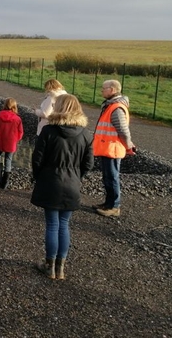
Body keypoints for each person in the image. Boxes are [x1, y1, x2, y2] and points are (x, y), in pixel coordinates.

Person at [31, 94, 94, 280]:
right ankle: (60, 268)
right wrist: (77, 177)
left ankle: (49, 266)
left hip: (50, 181)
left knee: (52, 224)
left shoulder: (48, 131)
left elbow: (37, 159)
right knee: (64, 224)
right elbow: (88, 164)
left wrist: (39, 177)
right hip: (72, 183)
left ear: (58, 108)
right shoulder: (86, 134)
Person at [92, 80, 135, 217]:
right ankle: (108, 204)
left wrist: (129, 146)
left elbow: (122, 130)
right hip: (107, 148)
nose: (101, 91)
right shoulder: (111, 106)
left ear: (112, 90)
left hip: (112, 149)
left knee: (112, 178)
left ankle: (114, 207)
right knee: (108, 177)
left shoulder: (116, 108)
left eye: (103, 88)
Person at [0, 98, 24, 189]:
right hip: (11, 143)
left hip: (0, 141)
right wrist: (15, 140)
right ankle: (5, 182)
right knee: (8, 160)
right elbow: (20, 132)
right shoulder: (18, 119)